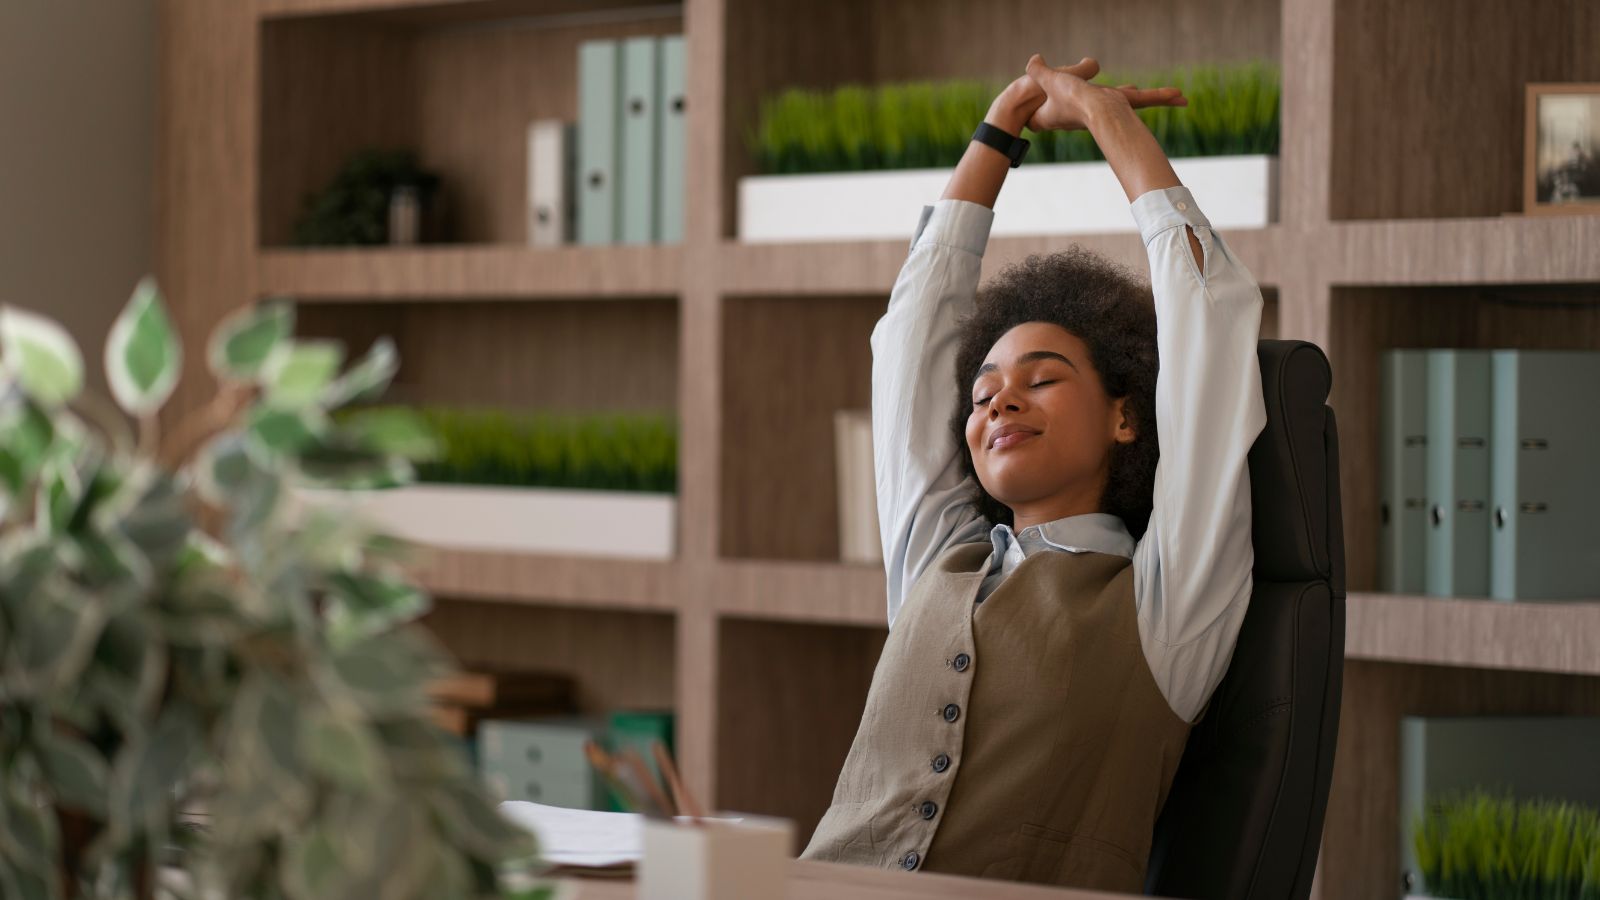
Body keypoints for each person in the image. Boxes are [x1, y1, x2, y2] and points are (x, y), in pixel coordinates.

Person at [799, 53, 1268, 892]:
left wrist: (1108, 123)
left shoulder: (1166, 603)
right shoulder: (936, 561)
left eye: (1042, 379)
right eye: (982, 395)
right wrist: (998, 133)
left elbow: (1212, 323)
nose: (999, 403)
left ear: (1128, 415)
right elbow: (908, 340)